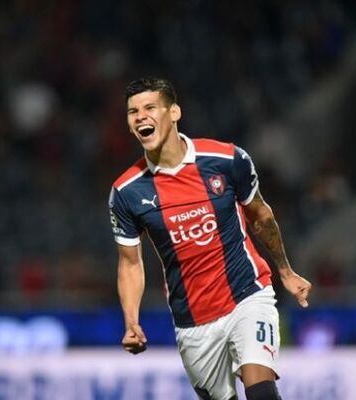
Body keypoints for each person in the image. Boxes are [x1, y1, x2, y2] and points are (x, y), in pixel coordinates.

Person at [108, 78, 312, 400]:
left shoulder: (226, 159)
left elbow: (261, 216)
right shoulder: (127, 191)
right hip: (193, 322)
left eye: (149, 107)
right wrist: (131, 321)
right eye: (132, 111)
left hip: (247, 295)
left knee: (261, 392)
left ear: (174, 112)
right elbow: (130, 263)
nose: (140, 116)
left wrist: (285, 270)